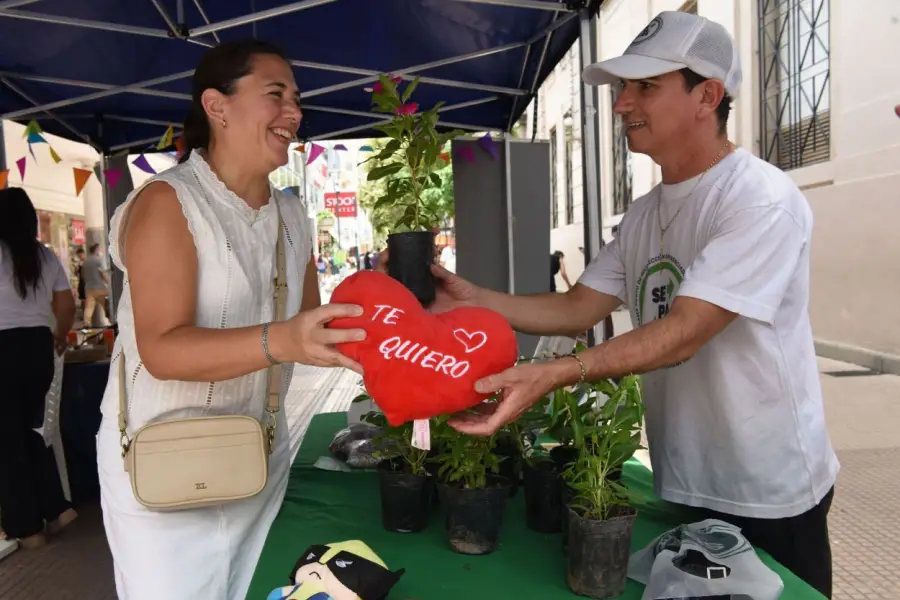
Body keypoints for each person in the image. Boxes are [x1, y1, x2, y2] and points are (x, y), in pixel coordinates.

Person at [419, 12, 838, 598]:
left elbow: (686, 331)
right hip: (684, 477)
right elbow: (578, 309)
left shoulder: (759, 200)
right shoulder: (645, 213)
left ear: (707, 96)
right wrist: (469, 298)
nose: (621, 104)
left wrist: (555, 374)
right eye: (622, 87)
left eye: (646, 86)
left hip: (765, 488)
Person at [95, 39, 365, 600]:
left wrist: (384, 292)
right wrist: (283, 339)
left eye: (296, 99)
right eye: (276, 94)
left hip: (255, 459)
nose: (294, 112)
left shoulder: (292, 213)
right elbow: (163, 351)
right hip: (163, 473)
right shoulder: (169, 203)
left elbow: (312, 326)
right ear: (217, 107)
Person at [0, 188, 78, 550]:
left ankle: (28, 529)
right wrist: (59, 336)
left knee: (7, 441)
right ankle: (57, 508)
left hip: (3, 349)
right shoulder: (44, 256)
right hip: (37, 349)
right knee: (26, 431)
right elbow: (66, 305)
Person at [82, 242, 110, 327]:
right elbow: (103, 273)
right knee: (106, 305)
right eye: (99, 249)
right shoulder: (99, 260)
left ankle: (87, 323)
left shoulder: (85, 261)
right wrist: (108, 282)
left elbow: (83, 275)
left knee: (89, 307)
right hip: (100, 287)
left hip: (89, 288)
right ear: (96, 250)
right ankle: (110, 319)